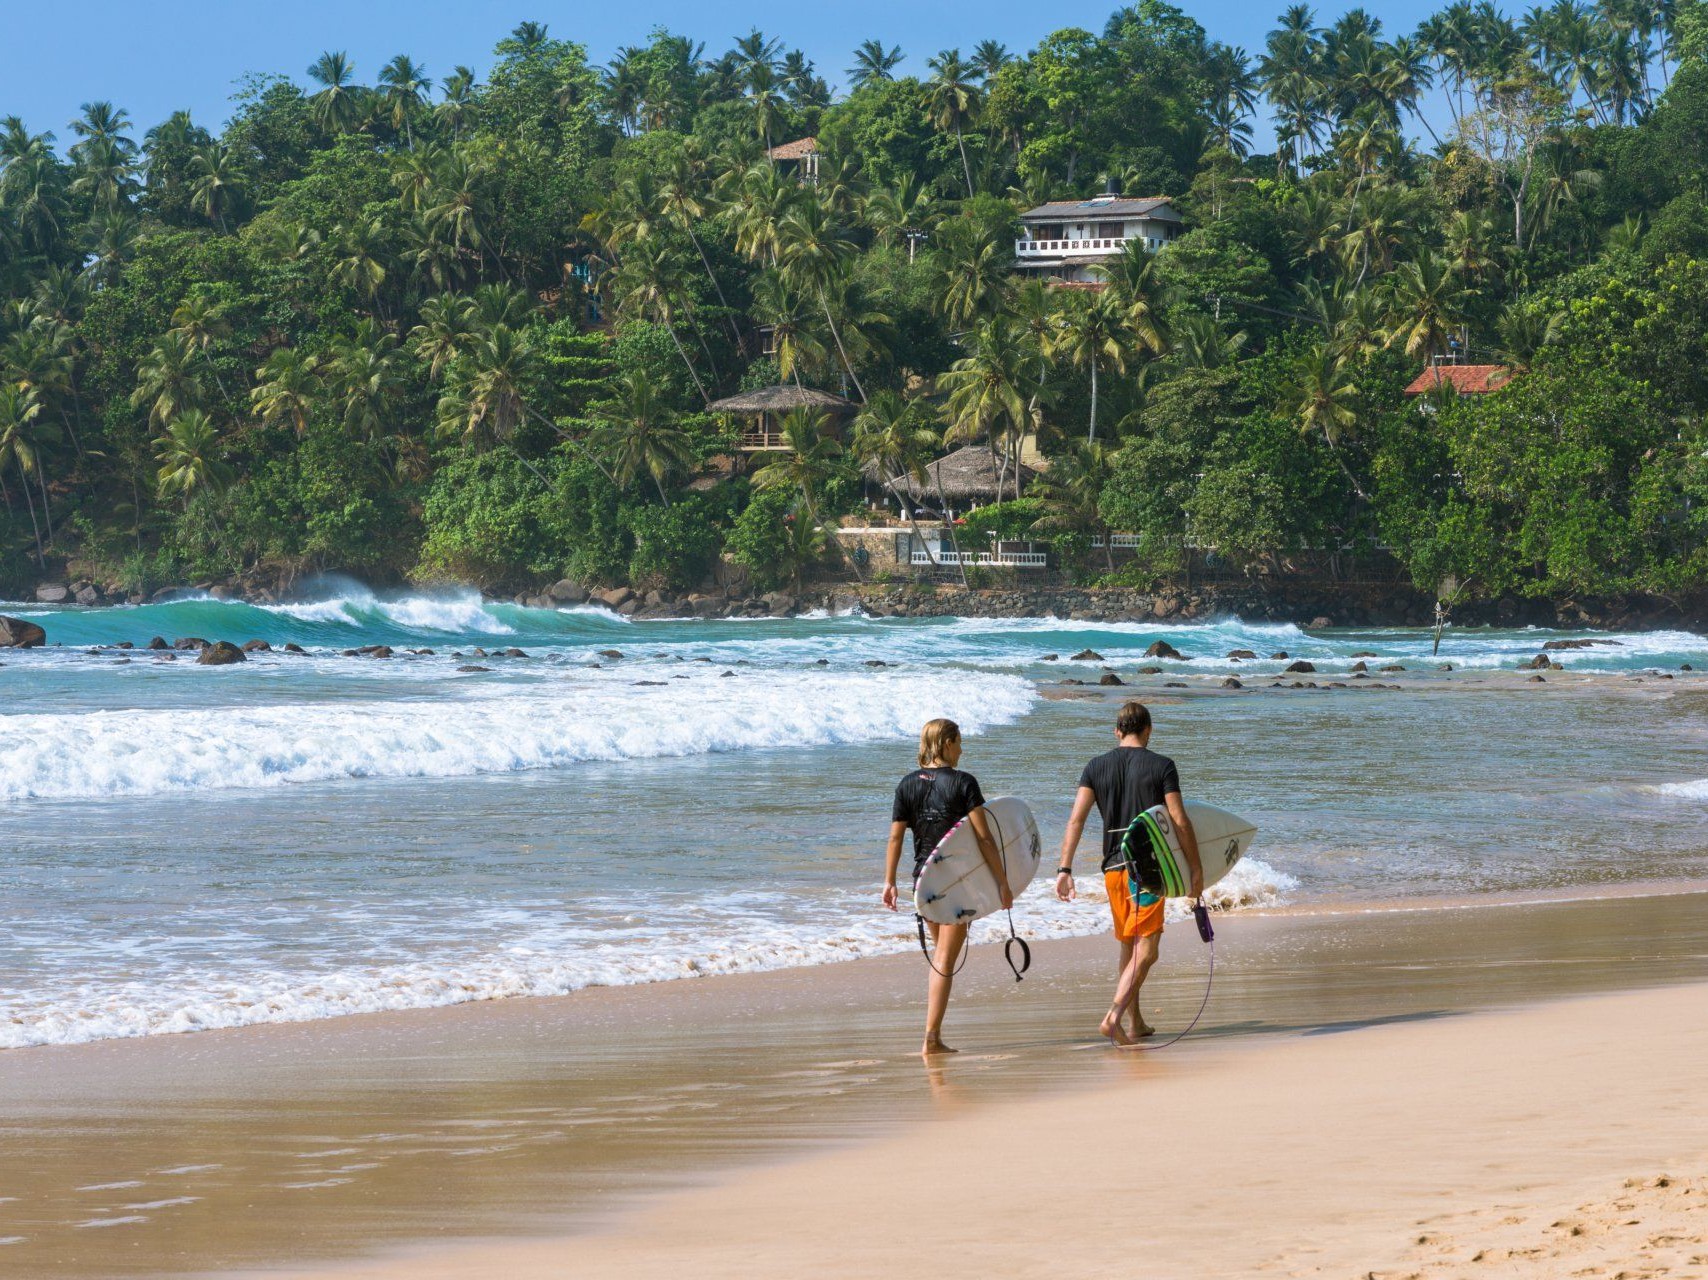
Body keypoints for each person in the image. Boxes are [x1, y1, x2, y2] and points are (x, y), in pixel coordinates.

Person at [1055, 700, 1203, 1046]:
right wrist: (1195, 869)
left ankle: (1135, 1022)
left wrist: (1065, 868)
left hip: (1112, 870)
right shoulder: (1162, 766)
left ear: (1117, 731)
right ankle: (1114, 1015)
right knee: (1147, 951)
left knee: (1129, 946)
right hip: (1146, 873)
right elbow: (1179, 820)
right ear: (1148, 730)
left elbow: (1076, 819)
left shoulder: (1095, 767)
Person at [883, 718, 1009, 1056]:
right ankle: (931, 1038)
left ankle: (934, 1034)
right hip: (957, 883)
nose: (962, 749)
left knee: (942, 958)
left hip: (923, 881)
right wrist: (1002, 882)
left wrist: (889, 882)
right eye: (959, 742)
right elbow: (984, 838)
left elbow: (896, 836)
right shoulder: (963, 783)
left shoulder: (906, 784)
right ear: (947, 743)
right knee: (943, 961)